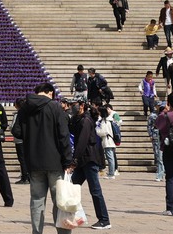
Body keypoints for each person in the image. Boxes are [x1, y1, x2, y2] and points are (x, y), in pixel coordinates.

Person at [13, 83, 72, 234]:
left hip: (34, 161)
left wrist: (30, 133)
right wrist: (68, 160)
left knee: (37, 200)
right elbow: (63, 136)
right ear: (50, 92)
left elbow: (16, 131)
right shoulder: (55, 107)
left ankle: (37, 231)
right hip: (55, 161)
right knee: (59, 201)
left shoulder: (25, 108)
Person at [67, 101, 112, 229]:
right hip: (83, 160)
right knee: (72, 187)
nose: (72, 107)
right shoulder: (78, 119)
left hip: (89, 159)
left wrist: (74, 160)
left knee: (95, 190)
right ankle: (74, 215)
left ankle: (104, 220)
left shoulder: (85, 120)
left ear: (81, 105)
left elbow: (81, 142)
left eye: (74, 104)